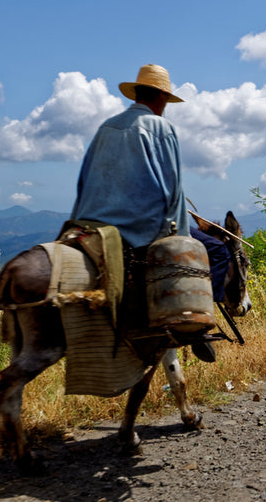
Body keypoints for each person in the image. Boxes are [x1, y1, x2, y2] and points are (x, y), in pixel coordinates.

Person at [69, 64, 189, 332]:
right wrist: (180, 236)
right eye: (166, 100)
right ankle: (188, 327)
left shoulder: (106, 127)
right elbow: (174, 189)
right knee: (208, 251)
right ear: (160, 97)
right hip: (139, 229)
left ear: (136, 94)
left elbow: (83, 180)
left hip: (90, 224)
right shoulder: (162, 128)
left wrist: (76, 222)